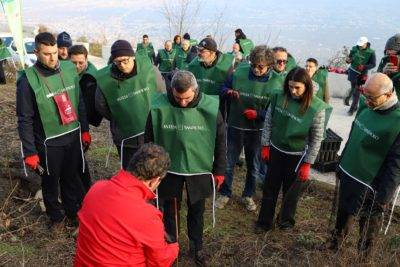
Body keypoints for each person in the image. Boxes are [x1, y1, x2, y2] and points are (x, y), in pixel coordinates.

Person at [145, 71, 226, 266]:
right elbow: (149, 138)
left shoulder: (211, 108)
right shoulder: (159, 106)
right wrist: (149, 168)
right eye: (178, 98)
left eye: (187, 98)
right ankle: (172, 245)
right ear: (171, 90)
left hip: (199, 167)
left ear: (195, 91)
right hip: (169, 168)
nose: (182, 103)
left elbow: (220, 141)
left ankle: (197, 246)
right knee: (170, 210)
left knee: (197, 209)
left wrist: (220, 170)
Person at [16, 32, 90, 232]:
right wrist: (30, 151)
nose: (53, 58)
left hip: (72, 136)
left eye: (55, 52)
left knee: (71, 178)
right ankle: (56, 217)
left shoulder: (68, 68)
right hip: (49, 142)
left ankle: (73, 213)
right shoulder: (27, 81)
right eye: (47, 54)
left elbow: (79, 101)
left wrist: (84, 130)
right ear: (36, 52)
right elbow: (24, 119)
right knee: (50, 182)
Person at [326, 73, 400, 258]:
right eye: (365, 96)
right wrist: (342, 160)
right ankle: (335, 245)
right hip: (351, 172)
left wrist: (384, 196)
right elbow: (354, 134)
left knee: (368, 223)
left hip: (373, 183)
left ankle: (363, 257)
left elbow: (396, 164)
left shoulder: (397, 122)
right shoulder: (366, 107)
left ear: (389, 95)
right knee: (343, 213)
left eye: (372, 98)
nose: (366, 101)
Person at [75, 143, 179, 267]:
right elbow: (158, 262)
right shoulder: (148, 216)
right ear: (155, 181)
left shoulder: (96, 189)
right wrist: (173, 249)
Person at [257, 67, 331, 232]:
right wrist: (265, 145)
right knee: (270, 189)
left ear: (307, 87)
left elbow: (316, 138)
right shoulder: (279, 96)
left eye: (297, 87)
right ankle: (264, 222)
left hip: (297, 157)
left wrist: (307, 163)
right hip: (276, 150)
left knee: (290, 193)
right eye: (290, 86)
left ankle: (285, 222)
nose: (293, 91)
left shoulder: (316, 108)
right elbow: (268, 121)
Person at [216, 46, 276, 211]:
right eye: (253, 65)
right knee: (228, 162)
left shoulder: (276, 83)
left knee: (254, 166)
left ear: (270, 66)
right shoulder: (239, 73)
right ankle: (225, 193)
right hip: (235, 126)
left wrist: (258, 114)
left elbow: (275, 111)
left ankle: (248, 195)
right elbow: (222, 89)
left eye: (260, 67)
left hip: (257, 131)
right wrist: (228, 92)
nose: (256, 69)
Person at [95, 40, 165, 169]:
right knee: (131, 170)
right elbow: (101, 106)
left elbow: (162, 94)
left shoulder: (150, 70)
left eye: (125, 60)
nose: (122, 65)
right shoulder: (105, 81)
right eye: (117, 62)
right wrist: (120, 114)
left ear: (132, 56)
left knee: (153, 169)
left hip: (152, 133)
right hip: (125, 137)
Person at [69, 45, 100, 194]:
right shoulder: (70, 73)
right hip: (70, 122)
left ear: (86, 60)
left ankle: (85, 194)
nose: (77, 66)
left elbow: (86, 109)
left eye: (80, 63)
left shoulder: (90, 79)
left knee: (78, 162)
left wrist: (84, 130)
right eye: (73, 62)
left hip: (79, 124)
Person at [344, 36, 376, 115]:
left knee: (357, 92)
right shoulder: (355, 48)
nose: (360, 46)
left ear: (366, 44)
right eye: (359, 45)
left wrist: (364, 66)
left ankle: (352, 109)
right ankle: (352, 103)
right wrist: (348, 60)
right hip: (352, 72)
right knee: (353, 88)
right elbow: (350, 58)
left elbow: (373, 64)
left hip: (361, 75)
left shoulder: (371, 52)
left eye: (362, 45)